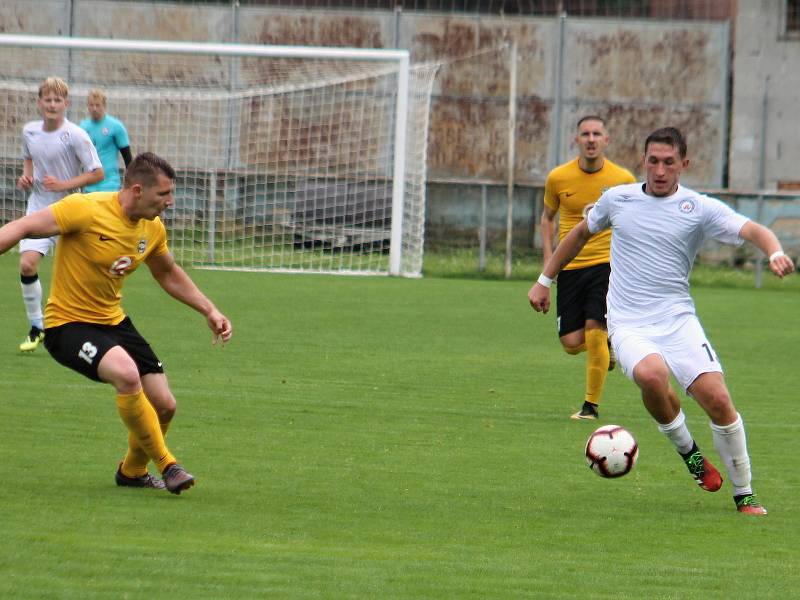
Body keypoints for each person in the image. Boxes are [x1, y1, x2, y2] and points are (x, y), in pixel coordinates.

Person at [529, 127, 795, 515]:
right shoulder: (617, 199)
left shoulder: (698, 207)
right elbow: (579, 235)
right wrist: (544, 279)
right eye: (653, 161)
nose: (659, 169)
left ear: (683, 165)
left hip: (677, 320)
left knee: (719, 400)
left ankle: (745, 493)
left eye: (669, 162)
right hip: (628, 321)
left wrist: (774, 253)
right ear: (643, 162)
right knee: (653, 376)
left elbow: (753, 229)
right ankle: (690, 453)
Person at [0, 152, 233, 495]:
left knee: (165, 405)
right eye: (163, 195)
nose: (170, 202)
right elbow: (22, 227)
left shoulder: (151, 227)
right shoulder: (85, 209)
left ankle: (133, 471)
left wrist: (209, 310)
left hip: (114, 322)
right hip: (67, 325)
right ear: (137, 190)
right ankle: (168, 464)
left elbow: (167, 272)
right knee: (126, 373)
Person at [540, 116, 635, 420]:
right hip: (570, 266)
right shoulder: (558, 177)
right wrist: (548, 262)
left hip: (607, 265)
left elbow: (635, 222)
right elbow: (547, 219)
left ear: (606, 140)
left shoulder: (623, 180)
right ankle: (606, 348)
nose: (591, 139)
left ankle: (590, 407)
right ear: (576, 140)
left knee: (595, 329)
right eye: (585, 134)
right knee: (571, 343)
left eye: (597, 134)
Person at [17, 77, 104, 353]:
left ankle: (94, 321)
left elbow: (97, 172)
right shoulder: (29, 131)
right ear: (39, 102)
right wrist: (27, 178)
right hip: (40, 205)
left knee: (85, 272)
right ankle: (37, 326)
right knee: (27, 265)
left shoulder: (76, 134)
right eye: (48, 99)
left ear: (66, 104)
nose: (52, 105)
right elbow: (28, 157)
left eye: (58, 100)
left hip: (72, 207)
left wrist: (64, 185)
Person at [80, 88, 132, 191]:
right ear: (88, 106)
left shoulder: (115, 126)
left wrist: (129, 183)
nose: (94, 108)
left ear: (104, 106)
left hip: (110, 185)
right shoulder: (83, 127)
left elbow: (127, 158)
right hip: (89, 185)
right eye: (91, 105)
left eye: (97, 105)